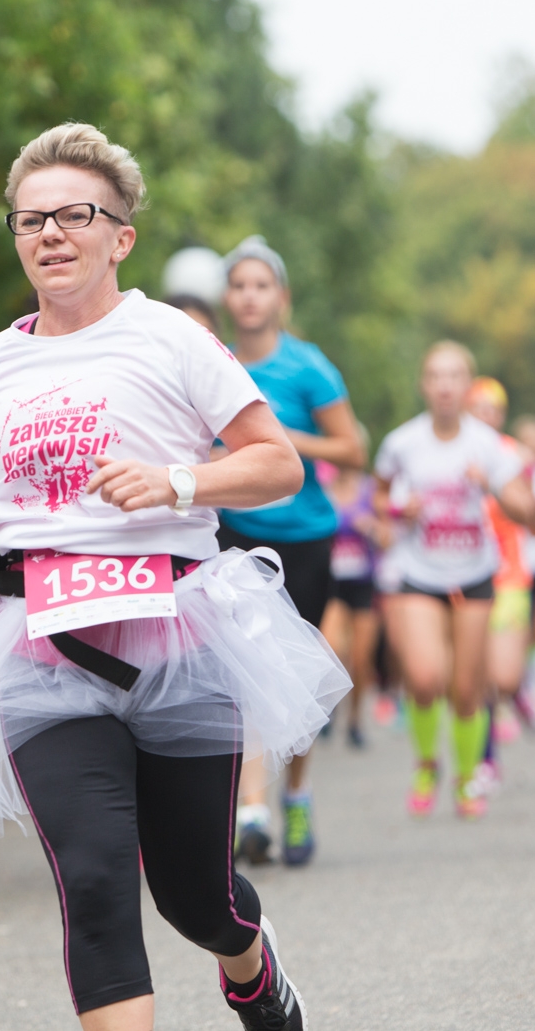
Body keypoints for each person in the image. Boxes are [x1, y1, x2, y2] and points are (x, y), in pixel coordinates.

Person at [0, 123, 347, 1031]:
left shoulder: (171, 340)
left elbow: (277, 465)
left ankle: (251, 967)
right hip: (40, 645)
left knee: (195, 895)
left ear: (121, 237)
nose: (51, 235)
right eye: (32, 221)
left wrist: (177, 481)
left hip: (174, 636)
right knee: (98, 879)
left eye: (76, 215)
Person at [215, 235, 365, 868]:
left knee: (294, 678)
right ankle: (251, 810)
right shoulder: (211, 361)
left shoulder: (308, 367)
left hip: (305, 539)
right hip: (233, 534)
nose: (250, 297)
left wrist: (280, 441)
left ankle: (295, 796)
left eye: (261, 285)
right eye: (239, 285)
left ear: (282, 296)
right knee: (242, 671)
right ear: (227, 298)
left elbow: (353, 450)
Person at [375, 342, 535, 819]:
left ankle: (467, 779)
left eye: (454, 377)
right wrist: (395, 513)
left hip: (475, 576)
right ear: (423, 384)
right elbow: (379, 499)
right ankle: (427, 763)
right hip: (419, 574)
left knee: (467, 690)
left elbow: (529, 512)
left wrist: (490, 485)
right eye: (435, 376)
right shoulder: (402, 443)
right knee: (425, 679)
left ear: (468, 386)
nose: (444, 385)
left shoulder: (489, 446)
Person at [465, 378, 535, 753]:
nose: (485, 417)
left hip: (508, 574)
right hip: (460, 574)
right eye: (478, 409)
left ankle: (518, 692)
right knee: (473, 675)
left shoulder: (513, 455)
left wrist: (494, 482)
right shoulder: (449, 449)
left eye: (493, 410)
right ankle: (484, 758)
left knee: (503, 677)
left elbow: (532, 516)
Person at [320, 456, 381, 748]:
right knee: (331, 647)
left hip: (364, 584)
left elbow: (390, 537)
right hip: (333, 582)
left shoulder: (371, 490)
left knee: (360, 657)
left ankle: (356, 719)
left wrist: (370, 528)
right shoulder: (321, 488)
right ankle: (330, 705)